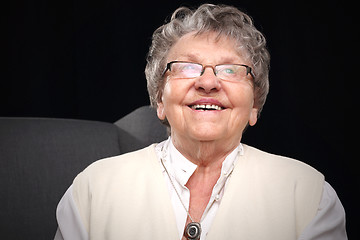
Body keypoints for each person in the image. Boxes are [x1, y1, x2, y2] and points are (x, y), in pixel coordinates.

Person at [54, 4, 347, 240]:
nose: (208, 82)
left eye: (230, 70)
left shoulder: (309, 196)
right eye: (187, 67)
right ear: (159, 99)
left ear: (254, 105)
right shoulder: (93, 191)